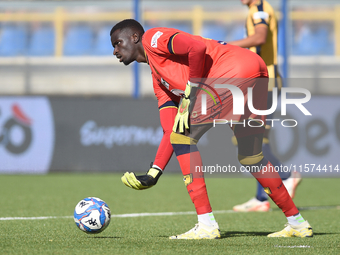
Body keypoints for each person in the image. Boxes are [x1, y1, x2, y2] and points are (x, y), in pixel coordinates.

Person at [110, 19, 313, 239]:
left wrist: (191, 89)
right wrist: (154, 173)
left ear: (134, 37)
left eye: (117, 43)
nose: (115, 51)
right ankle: (297, 223)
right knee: (251, 157)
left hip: (233, 72)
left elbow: (196, 48)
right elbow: (171, 131)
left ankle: (206, 225)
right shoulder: (159, 81)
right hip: (254, 71)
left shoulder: (153, 37)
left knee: (184, 138)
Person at [228, 0, 301, 212]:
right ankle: (262, 197)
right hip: (261, 80)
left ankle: (285, 177)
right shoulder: (256, 9)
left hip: (263, 81)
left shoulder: (260, 10)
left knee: (248, 138)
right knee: (255, 139)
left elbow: (260, 37)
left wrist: (227, 46)